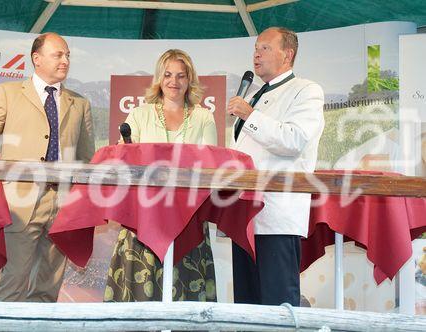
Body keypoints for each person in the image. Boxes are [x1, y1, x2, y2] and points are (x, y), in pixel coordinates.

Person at [0, 32, 95, 302]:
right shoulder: (7, 93)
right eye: (58, 54)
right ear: (37, 59)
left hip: (63, 207)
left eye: (68, 55)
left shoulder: (80, 104)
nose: (65, 60)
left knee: (47, 291)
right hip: (19, 205)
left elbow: (86, 160)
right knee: (13, 284)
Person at [104, 49, 217, 302]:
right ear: (159, 78)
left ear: (190, 80)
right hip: (144, 216)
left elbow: (210, 168)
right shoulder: (139, 114)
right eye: (167, 75)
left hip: (188, 216)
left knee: (187, 295)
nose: (173, 82)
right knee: (138, 294)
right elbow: (124, 162)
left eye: (181, 75)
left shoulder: (203, 117)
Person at [227, 27, 325, 306]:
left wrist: (250, 114)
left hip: (277, 216)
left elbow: (293, 140)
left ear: (288, 54)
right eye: (255, 48)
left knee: (278, 304)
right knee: (247, 305)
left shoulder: (306, 90)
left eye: (265, 48)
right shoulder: (257, 94)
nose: (256, 54)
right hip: (245, 216)